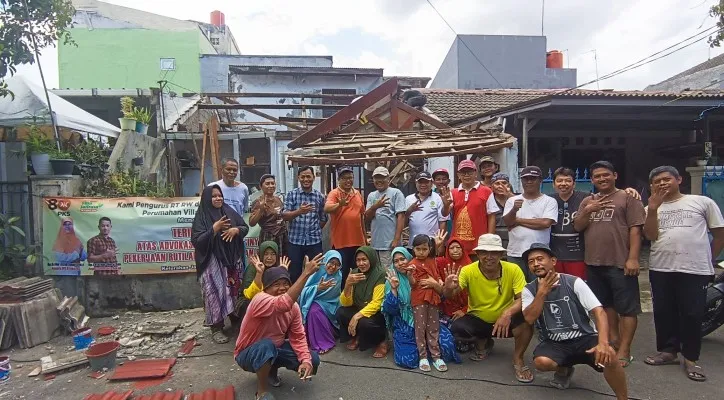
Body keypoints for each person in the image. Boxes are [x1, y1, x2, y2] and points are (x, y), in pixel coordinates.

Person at [643, 166, 724, 382]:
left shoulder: (701, 202)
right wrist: (652, 209)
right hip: (661, 266)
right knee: (663, 311)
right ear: (651, 186)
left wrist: (710, 258)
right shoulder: (650, 207)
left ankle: (690, 358)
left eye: (666, 179)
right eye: (656, 181)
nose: (662, 183)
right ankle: (668, 351)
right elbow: (650, 235)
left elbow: (719, 232)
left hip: (695, 268)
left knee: (692, 313)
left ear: (678, 179)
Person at [521, 243, 628, 399]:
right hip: (554, 342)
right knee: (541, 362)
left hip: (584, 337)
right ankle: (563, 368)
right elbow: (529, 319)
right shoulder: (529, 290)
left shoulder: (573, 282)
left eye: (540, 259)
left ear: (553, 261)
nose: (536, 264)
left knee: (610, 355)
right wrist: (542, 293)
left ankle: (622, 398)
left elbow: (599, 311)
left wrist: (603, 343)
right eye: (531, 262)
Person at [574, 161, 646, 368]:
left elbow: (635, 230)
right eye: (597, 176)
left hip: (620, 263)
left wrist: (633, 258)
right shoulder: (588, 200)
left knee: (628, 309)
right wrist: (589, 210)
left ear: (615, 175)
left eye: (606, 175)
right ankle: (613, 341)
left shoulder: (628, 197)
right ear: (592, 180)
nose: (602, 179)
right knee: (605, 305)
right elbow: (578, 226)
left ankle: (625, 350)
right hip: (593, 263)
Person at [443, 234, 534, 383]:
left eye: (494, 252)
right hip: (479, 318)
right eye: (484, 252)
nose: (489, 256)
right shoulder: (467, 270)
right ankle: (484, 342)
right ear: (478, 254)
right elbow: (451, 294)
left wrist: (507, 313)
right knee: (458, 328)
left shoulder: (513, 269)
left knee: (528, 321)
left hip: (506, 321)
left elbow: (523, 298)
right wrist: (447, 288)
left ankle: (518, 359)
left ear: (501, 254)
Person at [234, 258, 322, 400]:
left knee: (313, 358)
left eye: (286, 284)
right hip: (247, 353)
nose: (282, 288)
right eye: (277, 284)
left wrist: (305, 360)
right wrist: (306, 273)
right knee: (266, 346)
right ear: (266, 288)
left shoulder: (294, 308)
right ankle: (261, 392)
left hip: (274, 348)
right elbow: (283, 304)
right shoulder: (259, 299)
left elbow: (298, 336)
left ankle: (270, 372)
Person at [551, 168, 641, 280]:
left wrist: (628, 190)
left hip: (579, 255)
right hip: (554, 254)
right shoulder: (549, 200)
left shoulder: (587, 198)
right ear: (553, 184)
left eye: (568, 181)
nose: (563, 184)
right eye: (559, 181)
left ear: (574, 184)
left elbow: (608, 195)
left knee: (578, 288)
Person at [382, 247, 461, 369]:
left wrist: (439, 286)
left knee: (447, 347)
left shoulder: (425, 273)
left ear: (409, 258)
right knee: (408, 359)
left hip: (429, 318)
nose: (400, 263)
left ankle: (428, 353)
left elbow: (441, 299)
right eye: (396, 261)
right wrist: (394, 290)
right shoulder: (392, 280)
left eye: (402, 259)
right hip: (405, 322)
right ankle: (423, 353)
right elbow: (391, 310)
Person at [191, 185, 249, 344]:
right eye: (214, 196)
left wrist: (235, 230)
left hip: (230, 261)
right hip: (212, 263)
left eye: (220, 195)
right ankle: (216, 327)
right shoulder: (201, 217)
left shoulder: (228, 211)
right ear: (207, 198)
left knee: (232, 291)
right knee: (215, 295)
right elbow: (197, 241)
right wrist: (214, 229)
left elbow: (245, 227)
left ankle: (234, 318)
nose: (218, 199)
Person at [503, 166, 558, 282]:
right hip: (515, 253)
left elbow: (545, 223)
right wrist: (514, 210)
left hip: (539, 255)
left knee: (539, 286)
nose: (529, 181)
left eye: (533, 178)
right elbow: (508, 222)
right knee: (518, 288)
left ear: (540, 180)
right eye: (525, 179)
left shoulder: (549, 201)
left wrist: (518, 220)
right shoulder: (512, 201)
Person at [336, 246, 388, 358]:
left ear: (372, 259)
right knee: (341, 312)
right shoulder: (355, 273)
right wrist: (348, 284)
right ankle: (358, 335)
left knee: (366, 322)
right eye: (358, 260)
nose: (361, 263)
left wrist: (356, 317)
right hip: (360, 308)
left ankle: (382, 341)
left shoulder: (380, 274)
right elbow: (346, 303)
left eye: (364, 259)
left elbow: (377, 303)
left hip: (377, 313)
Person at [407, 234, 448, 372]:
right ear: (413, 249)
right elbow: (413, 285)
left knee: (433, 326)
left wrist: (439, 282)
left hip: (433, 298)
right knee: (420, 328)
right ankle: (423, 356)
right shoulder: (412, 264)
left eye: (424, 249)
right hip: (419, 299)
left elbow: (436, 276)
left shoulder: (432, 261)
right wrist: (409, 275)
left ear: (429, 249)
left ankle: (436, 356)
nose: (421, 252)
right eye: (418, 249)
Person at [282, 166, 328, 283]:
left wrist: (315, 230)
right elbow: (285, 216)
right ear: (298, 178)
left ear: (313, 178)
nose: (306, 179)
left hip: (314, 242)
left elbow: (323, 218)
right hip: (295, 242)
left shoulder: (319, 196)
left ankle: (313, 296)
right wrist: (299, 211)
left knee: (316, 272)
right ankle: (295, 299)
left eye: (308, 176)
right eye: (303, 177)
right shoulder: (291, 195)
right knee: (294, 273)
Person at [324, 166, 366, 287]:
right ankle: (342, 299)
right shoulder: (335, 193)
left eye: (350, 178)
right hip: (341, 242)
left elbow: (361, 217)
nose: (348, 181)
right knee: (342, 273)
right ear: (339, 180)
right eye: (344, 178)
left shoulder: (358, 193)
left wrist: (365, 238)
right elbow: (326, 208)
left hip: (358, 241)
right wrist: (339, 204)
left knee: (358, 271)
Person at [298, 250, 343, 354]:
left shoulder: (338, 277)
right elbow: (302, 291)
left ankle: (324, 342)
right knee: (313, 309)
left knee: (315, 310)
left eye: (337, 264)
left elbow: (332, 297)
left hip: (330, 306)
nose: (333, 267)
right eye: (331, 262)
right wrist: (317, 288)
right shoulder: (315, 271)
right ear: (326, 261)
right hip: (312, 302)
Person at [451, 160, 498, 257]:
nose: (466, 175)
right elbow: (445, 215)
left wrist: (490, 239)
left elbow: (491, 216)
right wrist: (446, 204)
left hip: (479, 245)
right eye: (463, 173)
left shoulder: (486, 191)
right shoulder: (453, 192)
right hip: (457, 247)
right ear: (458, 175)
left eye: (470, 172)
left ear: (476, 174)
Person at [365, 166, 406, 267]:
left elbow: (401, 217)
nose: (379, 181)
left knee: (389, 272)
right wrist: (375, 206)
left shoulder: (396, 193)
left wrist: (396, 239)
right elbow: (367, 217)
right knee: (378, 272)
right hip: (375, 243)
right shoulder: (371, 195)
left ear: (388, 179)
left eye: (382, 177)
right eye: (376, 178)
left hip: (389, 243)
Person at [406, 171, 451, 252]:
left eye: (426, 182)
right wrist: (409, 211)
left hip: (432, 245)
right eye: (420, 182)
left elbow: (442, 221)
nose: (423, 185)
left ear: (431, 183)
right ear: (416, 183)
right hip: (413, 245)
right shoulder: (408, 199)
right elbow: (404, 222)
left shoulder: (438, 198)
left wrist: (440, 245)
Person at [240, 241, 291, 310]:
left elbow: (287, 292)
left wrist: (283, 273)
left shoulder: (280, 267)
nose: (269, 257)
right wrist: (259, 273)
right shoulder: (254, 267)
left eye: (273, 254)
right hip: (253, 302)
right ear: (261, 255)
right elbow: (248, 295)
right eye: (266, 254)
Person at [250, 175, 287, 256]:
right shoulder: (258, 202)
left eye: (272, 183)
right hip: (268, 236)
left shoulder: (278, 199)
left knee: (281, 260)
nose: (271, 186)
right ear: (261, 186)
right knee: (268, 261)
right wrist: (261, 210)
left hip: (282, 235)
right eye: (267, 184)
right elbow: (251, 223)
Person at [490, 173, 515, 249]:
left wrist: (509, 195)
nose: (500, 186)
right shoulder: (489, 201)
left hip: (514, 242)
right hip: (495, 243)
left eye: (504, 183)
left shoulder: (515, 199)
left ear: (509, 185)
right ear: (492, 187)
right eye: (497, 183)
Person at [432, 168, 454, 235]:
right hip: (434, 233)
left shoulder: (454, 194)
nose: (441, 182)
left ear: (448, 181)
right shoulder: (430, 196)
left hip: (452, 231)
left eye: (444, 179)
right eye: (438, 179)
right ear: (433, 182)